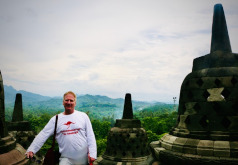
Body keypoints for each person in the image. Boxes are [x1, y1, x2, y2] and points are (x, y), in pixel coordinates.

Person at [26, 91, 97, 165]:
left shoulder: (83, 116)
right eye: (66, 100)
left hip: (84, 158)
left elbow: (90, 135)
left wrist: (92, 153)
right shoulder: (56, 119)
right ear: (63, 102)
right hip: (66, 159)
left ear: (75, 103)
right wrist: (32, 149)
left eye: (71, 100)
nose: (69, 102)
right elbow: (43, 134)